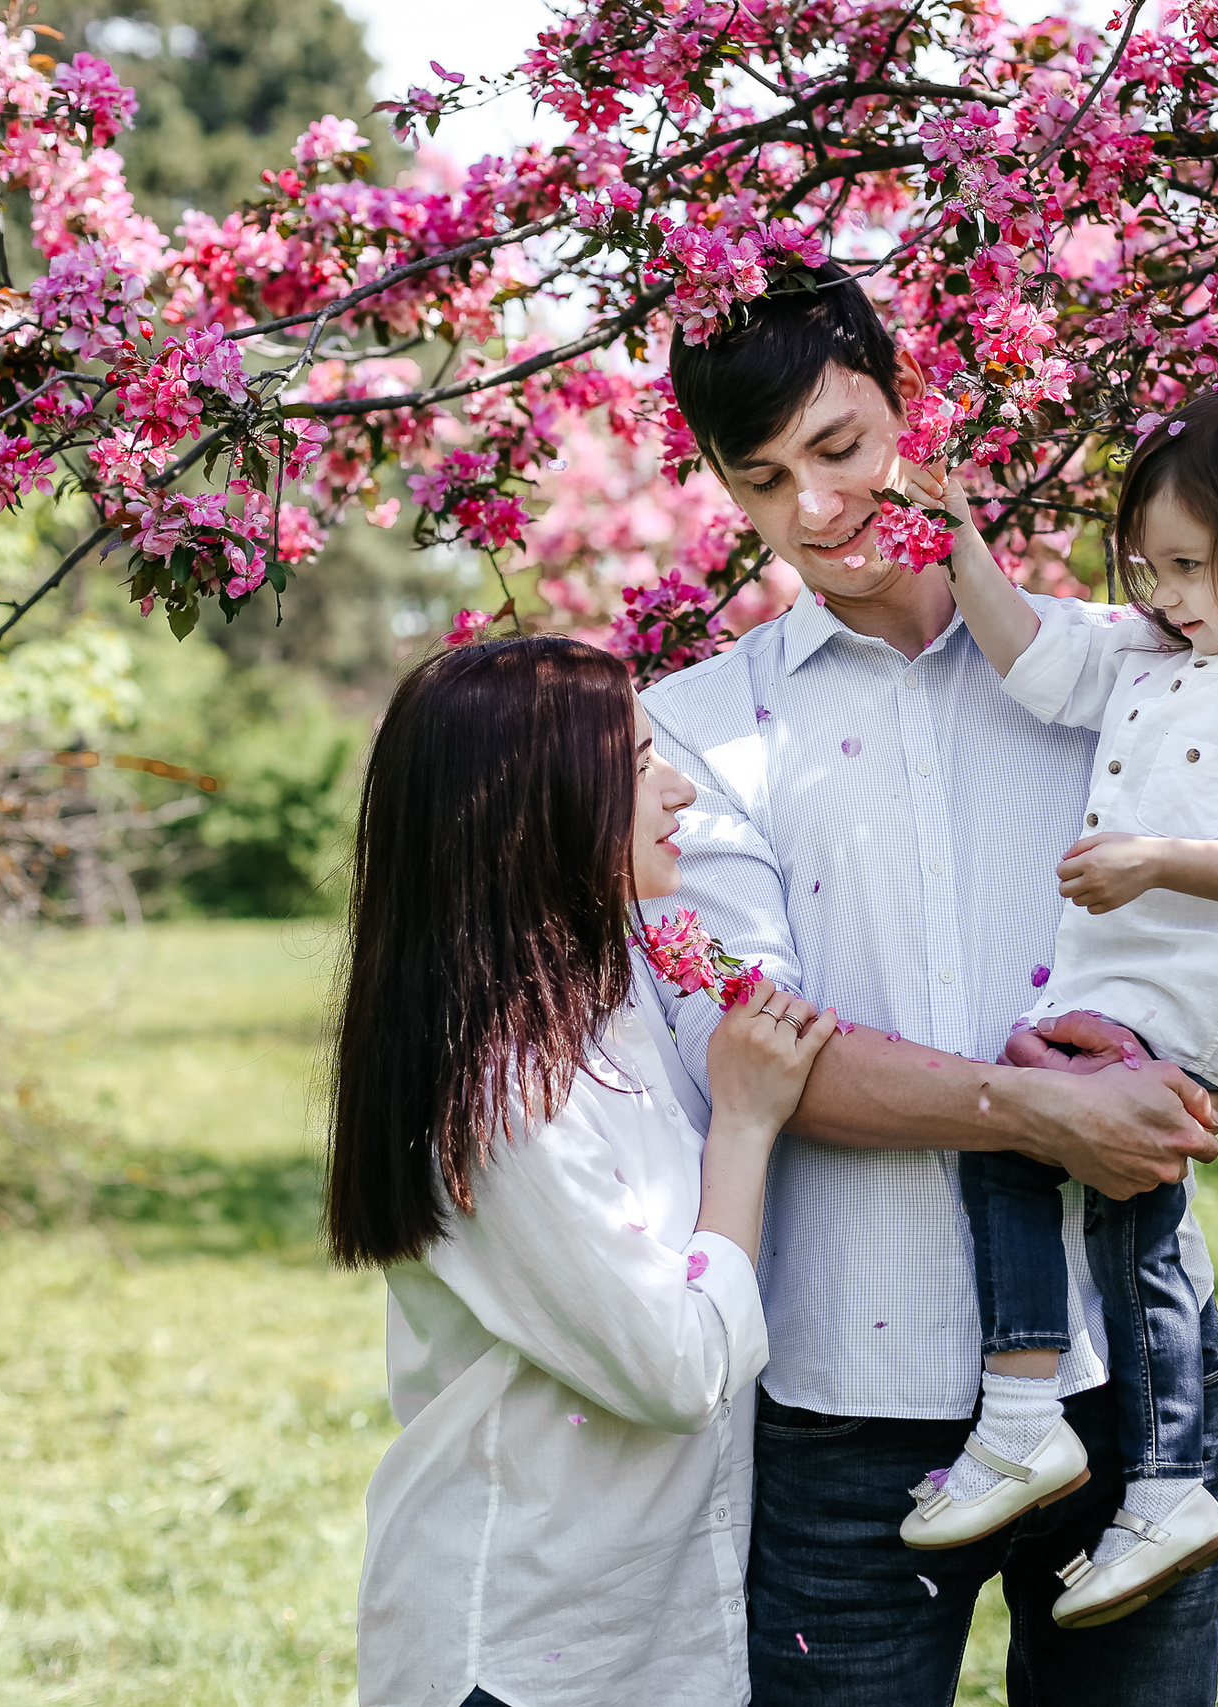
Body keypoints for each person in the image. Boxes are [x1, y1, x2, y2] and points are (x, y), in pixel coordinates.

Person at [644, 258, 1218, 1706]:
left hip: (1135, 1383)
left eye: (843, 447)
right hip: (848, 1401)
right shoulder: (697, 728)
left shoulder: (1114, 673)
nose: (815, 509)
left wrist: (1186, 1088)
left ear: (912, 410)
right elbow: (757, 1046)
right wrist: (1043, 1116)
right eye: (765, 477)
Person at [897, 382, 1218, 1628]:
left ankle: (1026, 1415)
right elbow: (1027, 655)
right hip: (1132, 996)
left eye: (1190, 565)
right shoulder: (1150, 652)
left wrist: (1154, 857)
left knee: (1018, 1133)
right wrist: (958, 534)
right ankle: (1165, 1485)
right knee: (1130, 1235)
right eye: (1149, 567)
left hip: (1198, 1002)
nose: (1165, 592)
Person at [332, 635, 836, 1707]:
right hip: (524, 1644)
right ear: (539, 805)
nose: (680, 785)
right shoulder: (506, 1097)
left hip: (628, 1624)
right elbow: (678, 1372)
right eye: (640, 761)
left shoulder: (602, 1010)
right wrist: (743, 1129)